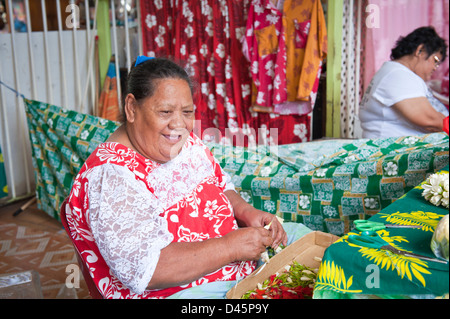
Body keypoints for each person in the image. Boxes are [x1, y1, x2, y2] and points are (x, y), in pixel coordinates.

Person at [65, 56, 310, 299]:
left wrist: (246, 212)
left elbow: (218, 183)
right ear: (131, 108)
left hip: (236, 263)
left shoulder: (181, 142)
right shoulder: (112, 177)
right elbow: (147, 270)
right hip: (181, 292)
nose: (179, 125)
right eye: (165, 111)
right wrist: (230, 247)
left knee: (308, 244)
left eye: (187, 112)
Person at [359, 26, 449, 138]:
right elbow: (429, 120)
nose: (435, 68)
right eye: (435, 61)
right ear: (420, 50)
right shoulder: (398, 75)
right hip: (393, 152)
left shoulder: (398, 73)